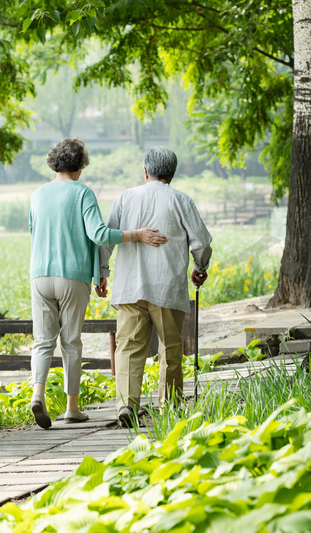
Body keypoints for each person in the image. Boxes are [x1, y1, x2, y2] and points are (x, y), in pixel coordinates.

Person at [29, 137, 166, 429]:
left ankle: (37, 395)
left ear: (54, 162)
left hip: (39, 275)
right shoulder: (82, 193)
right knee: (70, 342)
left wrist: (97, 271)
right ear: (80, 165)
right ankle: (72, 407)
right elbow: (100, 235)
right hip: (72, 277)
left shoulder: (38, 194)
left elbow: (35, 231)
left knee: (43, 341)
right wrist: (136, 235)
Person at [99, 145, 212, 428]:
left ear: (145, 170)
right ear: (171, 174)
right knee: (171, 348)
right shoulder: (181, 200)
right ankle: (170, 407)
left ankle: (126, 405)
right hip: (166, 287)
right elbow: (202, 242)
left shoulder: (125, 198)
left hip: (129, 286)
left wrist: (102, 272)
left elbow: (107, 238)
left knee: (128, 347)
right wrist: (200, 268)